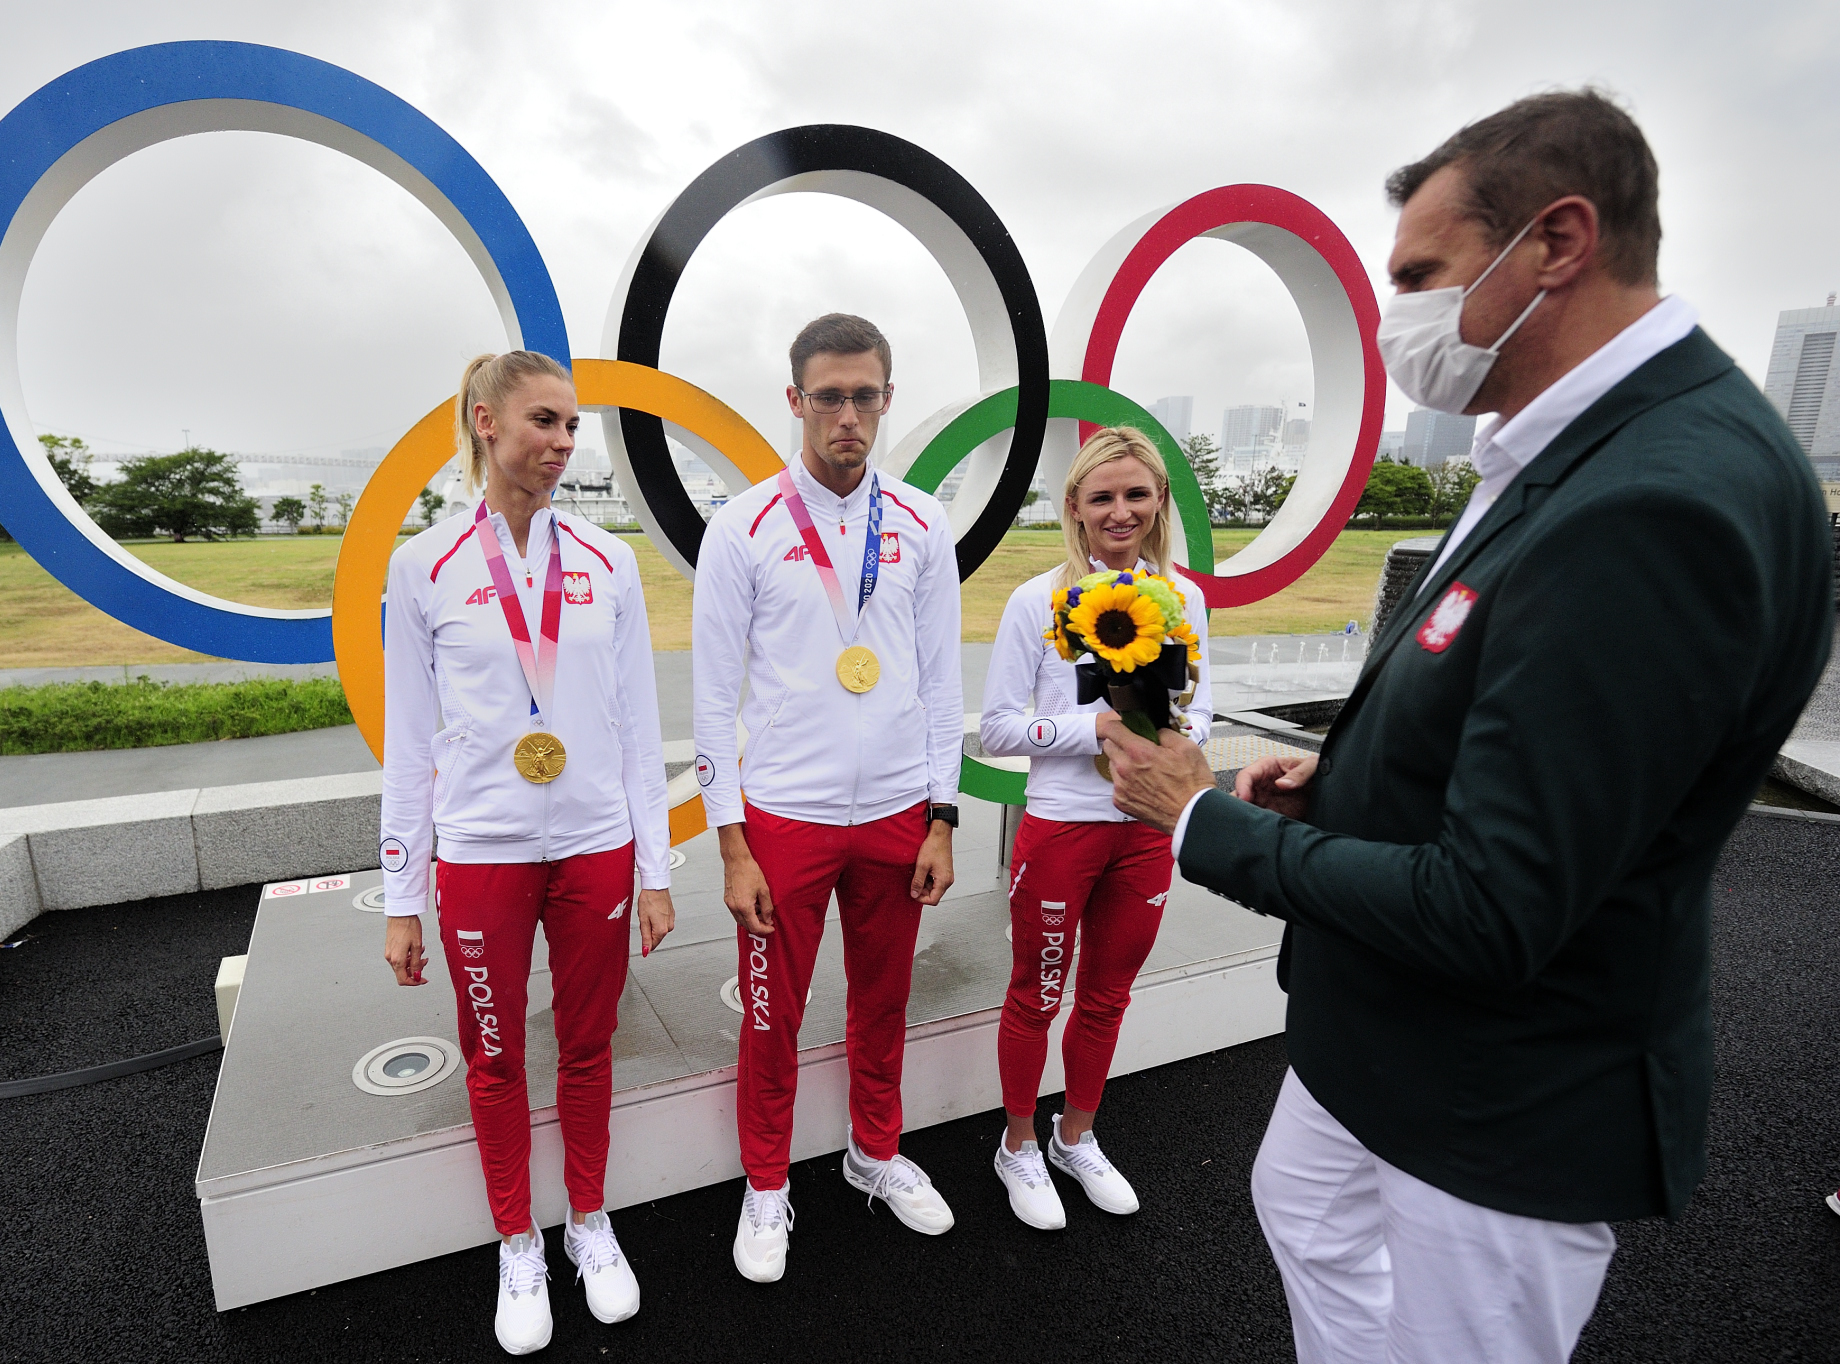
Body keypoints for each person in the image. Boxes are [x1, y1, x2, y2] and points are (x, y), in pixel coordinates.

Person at [1099, 90, 1833, 1362]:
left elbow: (1498, 904)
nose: (1398, 322)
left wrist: (1199, 818)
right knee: (1302, 1211)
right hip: (1391, 1037)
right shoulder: (1562, 452)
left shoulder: (1655, 500)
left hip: (1501, 1094)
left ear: (1555, 243)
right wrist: (1349, 774)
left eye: (1422, 275)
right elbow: (1533, 724)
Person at [379, 350, 675, 1356]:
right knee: (496, 1053)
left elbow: (639, 725)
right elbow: (409, 741)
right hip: (481, 852)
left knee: (588, 1047)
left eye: (568, 425)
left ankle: (587, 1219)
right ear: (483, 420)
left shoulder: (605, 560)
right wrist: (399, 893)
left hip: (593, 844)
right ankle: (519, 1238)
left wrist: (653, 869)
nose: (559, 443)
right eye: (542, 421)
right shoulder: (423, 563)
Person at [690, 313, 964, 1282]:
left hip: (896, 813)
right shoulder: (744, 526)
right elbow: (710, 699)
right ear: (796, 400)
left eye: (864, 395)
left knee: (882, 998)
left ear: (886, 399)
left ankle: (873, 1151)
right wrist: (731, 846)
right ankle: (766, 1180)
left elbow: (940, 684)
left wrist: (941, 814)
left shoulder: (924, 524)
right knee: (772, 1012)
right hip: (782, 819)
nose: (846, 413)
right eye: (828, 395)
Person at [979, 426, 1213, 1230]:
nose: (1121, 512)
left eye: (1136, 495)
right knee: (1036, 995)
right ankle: (1017, 1145)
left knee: (1108, 996)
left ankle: (1075, 1135)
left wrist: (1174, 739)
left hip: (1148, 830)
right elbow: (1000, 729)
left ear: (1158, 505)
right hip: (1062, 830)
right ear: (1073, 506)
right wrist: (1104, 730)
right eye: (1103, 496)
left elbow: (1202, 711)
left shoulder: (1185, 599)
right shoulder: (1035, 600)